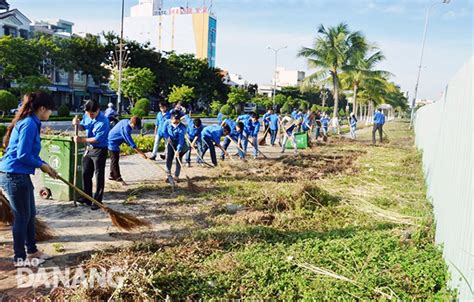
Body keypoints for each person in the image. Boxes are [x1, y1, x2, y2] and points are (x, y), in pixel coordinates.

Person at [0, 92, 58, 266]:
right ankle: (20, 258)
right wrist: (42, 166)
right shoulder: (29, 124)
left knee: (30, 214)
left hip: (19, 174)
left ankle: (32, 251)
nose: (50, 114)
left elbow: (28, 154)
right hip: (12, 175)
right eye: (50, 110)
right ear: (41, 109)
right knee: (22, 216)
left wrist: (45, 165)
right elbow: (23, 154)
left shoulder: (32, 122)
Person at [72, 100, 110, 210]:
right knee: (86, 173)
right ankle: (87, 197)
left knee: (99, 175)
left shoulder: (104, 121)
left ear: (98, 110)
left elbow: (98, 139)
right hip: (89, 149)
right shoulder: (87, 115)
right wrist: (77, 124)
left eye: (92, 114)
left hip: (100, 150)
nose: (90, 115)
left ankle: (97, 201)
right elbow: (83, 127)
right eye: (88, 113)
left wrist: (81, 140)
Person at [107, 116, 146, 184]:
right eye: (135, 126)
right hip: (112, 142)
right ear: (132, 123)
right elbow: (131, 143)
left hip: (114, 140)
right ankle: (118, 178)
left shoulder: (125, 121)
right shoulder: (126, 129)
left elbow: (126, 139)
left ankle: (112, 175)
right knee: (115, 161)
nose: (135, 128)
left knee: (114, 160)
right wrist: (141, 153)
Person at [163, 111, 188, 182]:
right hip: (170, 142)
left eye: (177, 122)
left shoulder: (182, 128)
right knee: (169, 158)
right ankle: (168, 175)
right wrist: (167, 137)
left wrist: (178, 150)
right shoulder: (167, 123)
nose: (176, 124)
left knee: (178, 159)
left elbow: (181, 141)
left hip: (179, 144)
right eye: (174, 122)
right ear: (171, 119)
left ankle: (176, 176)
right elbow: (163, 131)